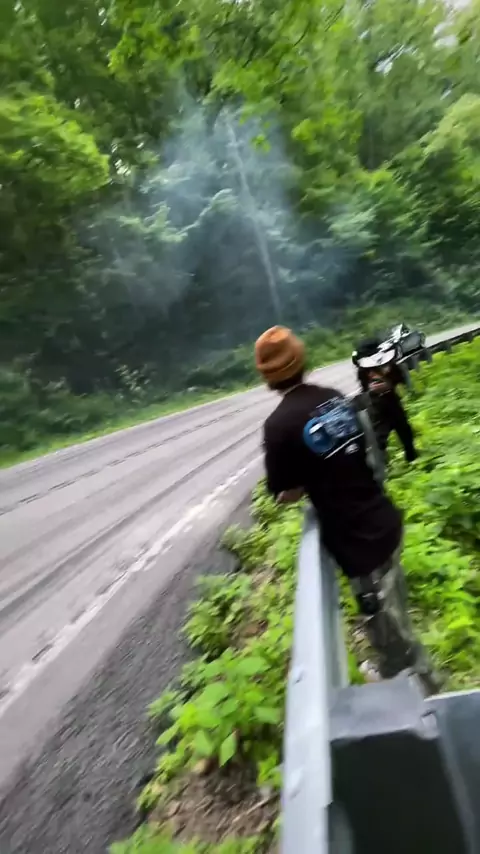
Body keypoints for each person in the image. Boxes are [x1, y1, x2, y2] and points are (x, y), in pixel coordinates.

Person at [255, 325, 439, 694]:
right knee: (389, 608)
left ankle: (425, 685)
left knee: (385, 618)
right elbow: (363, 452)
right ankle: (397, 668)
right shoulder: (335, 398)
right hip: (382, 518)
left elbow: (285, 494)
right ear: (301, 360)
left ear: (267, 375)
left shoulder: (278, 426)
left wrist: (309, 478)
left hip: (357, 539)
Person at [352, 337, 418, 468]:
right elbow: (364, 387)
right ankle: (382, 467)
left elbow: (399, 378)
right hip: (376, 404)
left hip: (390, 400)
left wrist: (388, 382)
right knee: (379, 438)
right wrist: (373, 387)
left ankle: (411, 459)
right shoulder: (363, 369)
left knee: (404, 432)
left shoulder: (388, 363)